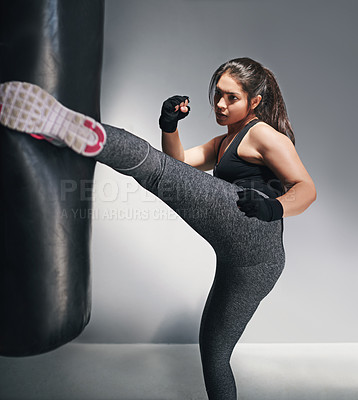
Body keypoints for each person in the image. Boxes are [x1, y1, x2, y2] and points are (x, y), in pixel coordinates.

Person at [0, 57, 316, 400]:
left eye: (232, 98)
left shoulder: (263, 135)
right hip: (247, 262)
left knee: (154, 171)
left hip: (255, 229)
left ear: (255, 101)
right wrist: (170, 126)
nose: (221, 105)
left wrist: (274, 207)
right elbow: (180, 164)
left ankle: (80, 131)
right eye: (218, 95)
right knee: (214, 351)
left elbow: (306, 188)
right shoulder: (225, 141)